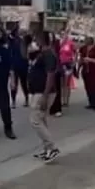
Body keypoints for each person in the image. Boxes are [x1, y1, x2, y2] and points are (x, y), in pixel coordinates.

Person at [28, 31, 60, 162]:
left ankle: (52, 148)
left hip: (44, 92)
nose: (35, 41)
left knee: (35, 120)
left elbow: (50, 75)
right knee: (42, 120)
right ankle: (47, 149)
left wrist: (45, 96)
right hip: (38, 91)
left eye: (37, 39)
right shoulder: (42, 54)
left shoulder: (49, 55)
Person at [78, 36, 95, 111]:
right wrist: (78, 68)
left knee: (94, 87)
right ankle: (91, 102)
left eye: (87, 39)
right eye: (85, 40)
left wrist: (91, 60)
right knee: (88, 87)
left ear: (91, 41)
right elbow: (81, 58)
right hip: (85, 70)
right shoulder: (83, 48)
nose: (85, 41)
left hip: (94, 70)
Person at [9, 27, 30, 108]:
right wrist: (16, 25)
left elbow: (29, 37)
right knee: (13, 84)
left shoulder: (26, 41)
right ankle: (13, 101)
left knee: (24, 83)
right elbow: (9, 35)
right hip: (14, 65)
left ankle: (27, 99)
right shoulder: (13, 40)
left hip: (24, 65)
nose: (21, 33)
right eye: (19, 31)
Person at [58, 32, 77, 107]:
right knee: (61, 84)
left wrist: (74, 62)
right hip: (60, 65)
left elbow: (76, 53)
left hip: (68, 64)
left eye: (65, 34)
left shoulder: (70, 43)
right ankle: (62, 99)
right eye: (62, 34)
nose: (64, 35)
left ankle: (66, 101)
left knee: (67, 83)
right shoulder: (59, 43)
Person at [49, 33, 63, 117]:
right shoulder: (44, 47)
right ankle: (51, 107)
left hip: (56, 70)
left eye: (51, 37)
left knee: (57, 90)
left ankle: (58, 108)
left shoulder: (56, 46)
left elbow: (59, 57)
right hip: (48, 70)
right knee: (50, 90)